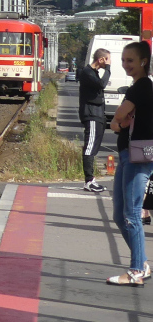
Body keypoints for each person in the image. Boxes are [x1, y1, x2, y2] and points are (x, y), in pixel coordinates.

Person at [107, 40, 153, 285]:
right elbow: (118, 121)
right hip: (128, 154)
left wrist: (119, 122)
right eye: (123, 60)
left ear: (143, 61)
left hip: (138, 157)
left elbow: (118, 117)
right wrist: (119, 122)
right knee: (119, 213)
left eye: (130, 60)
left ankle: (136, 270)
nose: (125, 65)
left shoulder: (142, 86)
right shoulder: (138, 87)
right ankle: (142, 263)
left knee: (131, 214)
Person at [78, 47, 111, 192]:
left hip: (97, 115)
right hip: (91, 114)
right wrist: (108, 69)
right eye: (108, 60)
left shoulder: (94, 73)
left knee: (94, 147)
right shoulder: (87, 73)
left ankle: (91, 180)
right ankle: (88, 180)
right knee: (89, 147)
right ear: (101, 59)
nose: (109, 63)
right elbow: (101, 84)